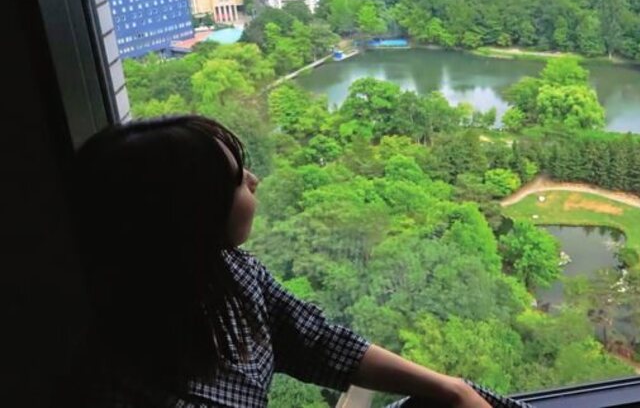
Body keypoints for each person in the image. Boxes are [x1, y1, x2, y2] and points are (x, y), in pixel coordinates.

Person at [68, 115, 528, 407]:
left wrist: (450, 388)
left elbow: (319, 342)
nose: (254, 179)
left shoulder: (228, 276)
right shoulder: (129, 375)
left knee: (451, 397)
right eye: (234, 178)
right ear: (188, 213)